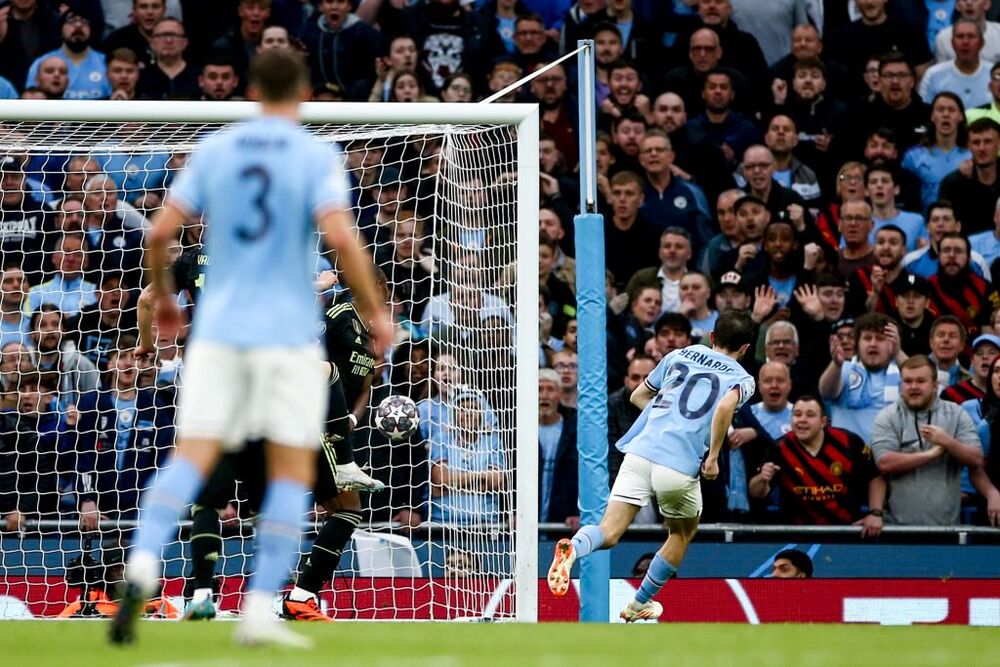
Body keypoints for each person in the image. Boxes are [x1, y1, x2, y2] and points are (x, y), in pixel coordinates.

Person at [110, 49, 391, 648]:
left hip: (214, 344)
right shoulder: (314, 155)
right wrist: (375, 311)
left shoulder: (217, 149)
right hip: (286, 342)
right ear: (305, 92)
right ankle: (262, 607)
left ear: (250, 88)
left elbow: (159, 233)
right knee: (289, 475)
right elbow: (342, 239)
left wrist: (163, 301)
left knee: (190, 461)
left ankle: (141, 563)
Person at [547, 310, 756, 622]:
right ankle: (638, 604)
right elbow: (725, 405)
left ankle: (573, 549)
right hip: (678, 463)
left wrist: (666, 416)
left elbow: (638, 395)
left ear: (711, 337)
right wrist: (712, 457)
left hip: (640, 452)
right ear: (745, 348)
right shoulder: (742, 378)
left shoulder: (680, 355)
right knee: (681, 534)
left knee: (609, 530)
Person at [871, 355, 1000, 526]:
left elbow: (976, 459)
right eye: (908, 381)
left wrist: (948, 442)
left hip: (947, 528)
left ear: (935, 385)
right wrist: (933, 453)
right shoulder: (887, 416)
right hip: (897, 528)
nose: (914, 386)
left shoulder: (956, 413)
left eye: (921, 381)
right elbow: (884, 463)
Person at [750, 396, 885, 534]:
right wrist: (762, 478)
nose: (802, 419)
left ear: (823, 422)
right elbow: (756, 493)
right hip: (796, 535)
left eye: (810, 415)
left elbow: (875, 476)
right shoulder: (780, 447)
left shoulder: (849, 442)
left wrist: (875, 513)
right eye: (797, 414)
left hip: (846, 533)